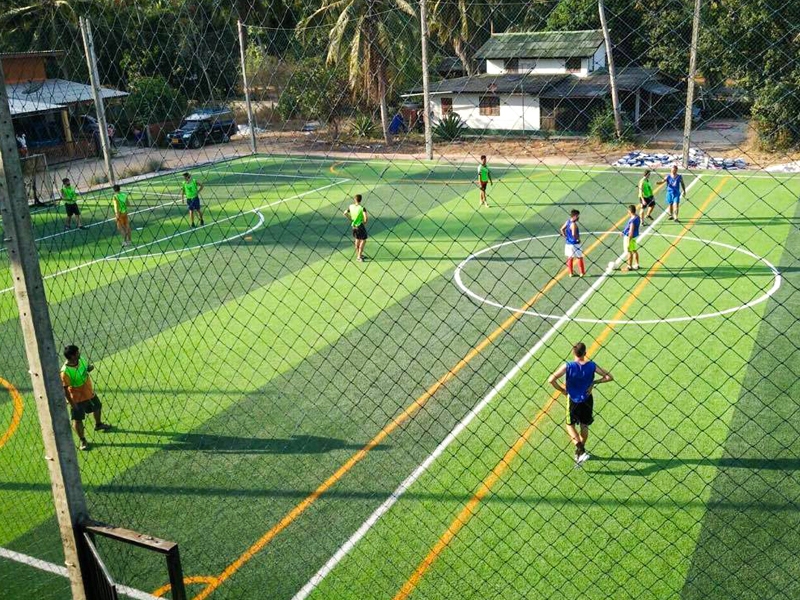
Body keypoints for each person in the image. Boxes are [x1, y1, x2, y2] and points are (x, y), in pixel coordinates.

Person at [548, 342, 613, 467]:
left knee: (569, 425)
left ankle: (580, 450)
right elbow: (609, 377)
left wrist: (562, 390)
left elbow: (551, 380)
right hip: (587, 400)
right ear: (585, 353)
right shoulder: (592, 365)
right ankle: (581, 451)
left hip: (573, 400)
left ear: (573, 353)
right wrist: (594, 382)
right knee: (584, 426)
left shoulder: (568, 366)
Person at [61, 345, 111, 451]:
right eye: (77, 352)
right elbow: (65, 390)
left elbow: (86, 367)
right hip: (76, 398)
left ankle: (98, 424)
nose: (79, 353)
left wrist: (89, 368)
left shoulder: (81, 359)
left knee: (97, 407)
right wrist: (72, 403)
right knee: (78, 419)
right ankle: (83, 440)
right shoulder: (65, 371)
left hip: (88, 392)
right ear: (72, 356)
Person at [559, 209, 585, 277]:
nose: (578, 217)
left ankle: (570, 273)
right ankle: (582, 272)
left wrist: (565, 236)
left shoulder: (567, 222)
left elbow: (562, 229)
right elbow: (574, 234)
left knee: (570, 258)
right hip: (575, 244)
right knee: (579, 257)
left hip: (568, 244)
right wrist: (577, 239)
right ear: (575, 216)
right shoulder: (573, 224)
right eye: (578, 216)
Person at [344, 194, 368, 262]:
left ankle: (359, 254)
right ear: (361, 200)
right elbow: (366, 219)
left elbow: (345, 213)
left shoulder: (350, 206)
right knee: (363, 240)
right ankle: (359, 256)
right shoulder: (362, 208)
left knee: (357, 239)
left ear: (354, 200)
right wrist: (363, 223)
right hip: (360, 226)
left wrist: (351, 219)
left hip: (353, 226)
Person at [622, 204, 641, 272]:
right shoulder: (637, 217)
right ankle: (637, 264)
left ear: (629, 211)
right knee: (634, 250)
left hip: (630, 237)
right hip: (635, 236)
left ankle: (629, 266)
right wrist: (624, 232)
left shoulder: (632, 221)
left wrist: (628, 242)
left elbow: (631, 232)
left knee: (629, 251)